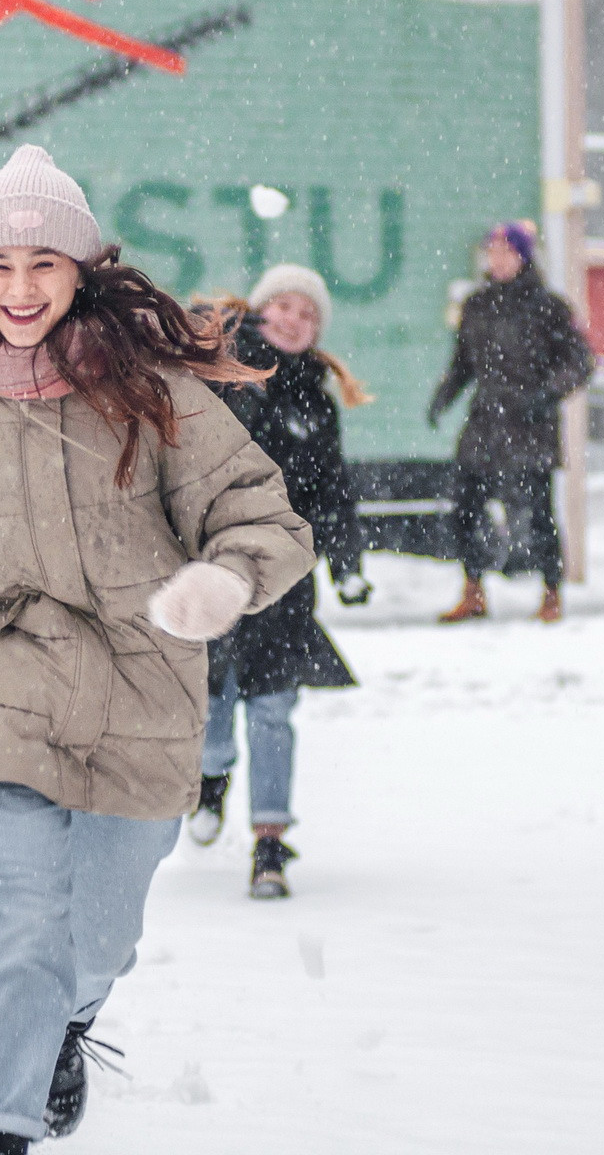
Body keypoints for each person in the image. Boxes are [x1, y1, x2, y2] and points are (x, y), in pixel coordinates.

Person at [0, 145, 315, 1155]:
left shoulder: (151, 387)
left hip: (143, 690)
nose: (20, 289)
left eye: (43, 263)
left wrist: (226, 576)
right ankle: (0, 1127)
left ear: (81, 270)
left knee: (97, 936)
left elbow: (261, 510)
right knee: (26, 921)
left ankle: (65, 1021)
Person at [187, 264, 375, 898]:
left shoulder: (316, 400)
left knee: (273, 706)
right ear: (262, 309)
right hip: (217, 567)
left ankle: (269, 844)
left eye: (309, 313)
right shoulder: (221, 373)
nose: (296, 319)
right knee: (211, 702)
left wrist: (347, 562)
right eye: (286, 306)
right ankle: (210, 780)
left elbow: (333, 490)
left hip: (288, 579)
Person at [426, 221, 595, 624]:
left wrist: (548, 393)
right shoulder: (477, 306)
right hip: (485, 422)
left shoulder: (549, 307)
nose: (498, 259)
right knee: (466, 506)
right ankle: (473, 591)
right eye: (492, 251)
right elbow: (464, 362)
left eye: (506, 251)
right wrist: (444, 396)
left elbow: (580, 361)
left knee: (537, 513)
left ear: (523, 256)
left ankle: (552, 592)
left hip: (529, 425)